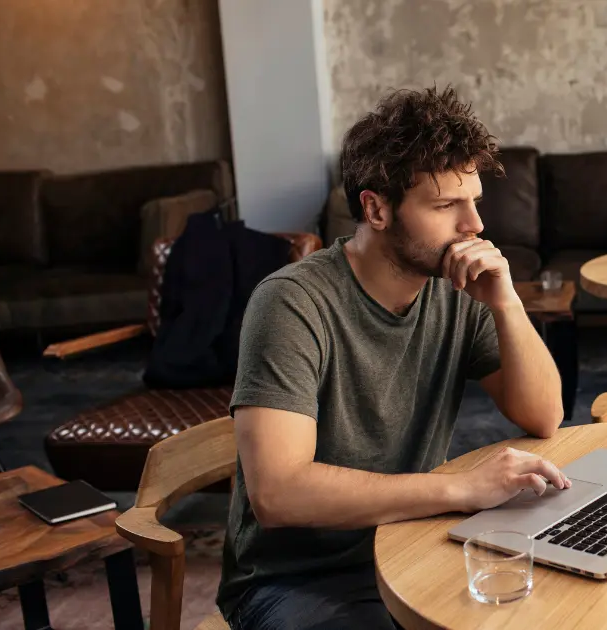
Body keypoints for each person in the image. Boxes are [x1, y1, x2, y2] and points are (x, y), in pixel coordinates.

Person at [218, 86, 570, 630]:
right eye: (447, 205)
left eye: (474, 201)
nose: (473, 225)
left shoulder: (458, 289)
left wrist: (508, 303)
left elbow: (544, 415)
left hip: (412, 540)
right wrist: (462, 487)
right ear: (376, 208)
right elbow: (278, 494)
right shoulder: (291, 303)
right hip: (297, 580)